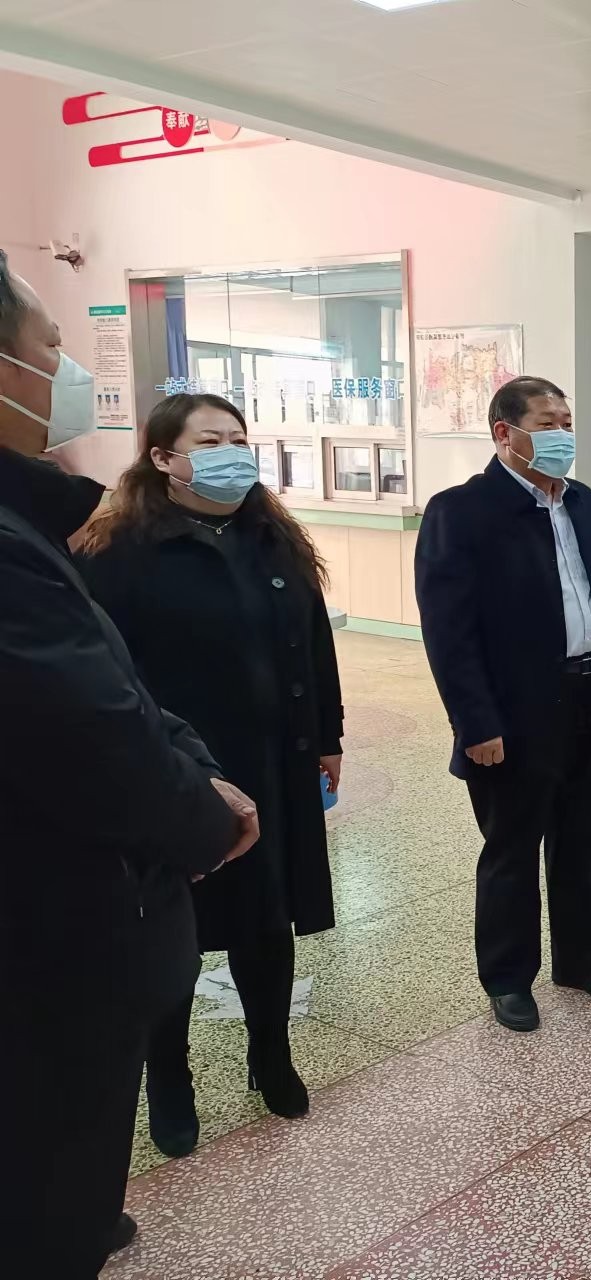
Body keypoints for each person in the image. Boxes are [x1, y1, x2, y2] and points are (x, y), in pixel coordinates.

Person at [0, 251, 257, 1277]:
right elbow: (94, 724)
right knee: (50, 1180)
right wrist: (206, 815)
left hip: (88, 880)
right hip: (53, 927)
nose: (65, 370)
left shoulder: (31, 519)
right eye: (51, 345)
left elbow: (114, 685)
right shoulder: (42, 541)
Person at [80, 393, 344, 1154]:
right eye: (210, 441)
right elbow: (107, 674)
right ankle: (170, 1077)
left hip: (275, 761)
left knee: (267, 917)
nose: (232, 452)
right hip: (177, 771)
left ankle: (271, 1056)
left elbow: (314, 643)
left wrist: (327, 735)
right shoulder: (119, 552)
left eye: (238, 438)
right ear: (164, 458)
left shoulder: (273, 537)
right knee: (175, 931)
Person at [416, 376, 591, 1033]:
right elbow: (449, 633)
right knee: (512, 849)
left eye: (566, 421)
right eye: (547, 422)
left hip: (586, 698)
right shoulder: (461, 511)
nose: (562, 434)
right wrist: (474, 722)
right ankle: (509, 978)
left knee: (580, 841)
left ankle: (579, 959)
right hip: (512, 714)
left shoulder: (582, 501)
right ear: (504, 433)